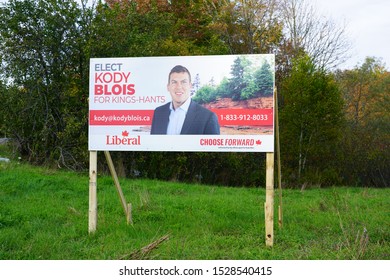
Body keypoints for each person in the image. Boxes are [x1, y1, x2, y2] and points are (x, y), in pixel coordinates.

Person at [151, 65, 220, 135]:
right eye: (174, 82)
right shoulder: (158, 113)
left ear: (190, 86)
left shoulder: (207, 118)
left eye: (183, 82)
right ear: (168, 87)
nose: (179, 87)